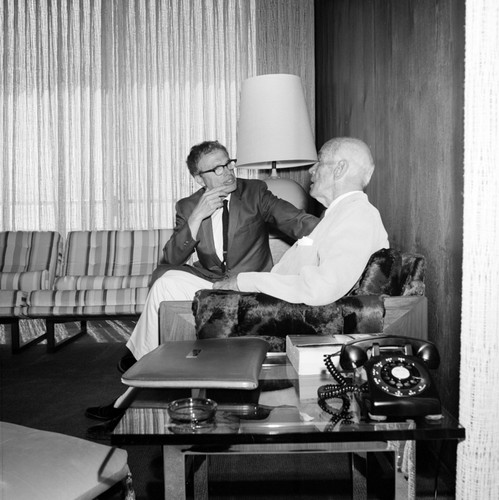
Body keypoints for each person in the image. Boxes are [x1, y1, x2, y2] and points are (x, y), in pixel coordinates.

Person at [84, 140, 319, 436]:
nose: (227, 172)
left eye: (229, 163)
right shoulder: (187, 205)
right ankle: (138, 370)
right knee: (166, 282)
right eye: (217, 168)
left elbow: (295, 220)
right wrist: (197, 216)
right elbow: (171, 257)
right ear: (199, 177)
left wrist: (334, 232)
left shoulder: (255, 192)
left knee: (163, 289)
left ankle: (130, 381)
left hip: (247, 286)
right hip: (209, 282)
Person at [213, 137, 389, 305]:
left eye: (319, 161)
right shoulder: (338, 215)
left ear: (339, 169)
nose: (311, 170)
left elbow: (321, 289)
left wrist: (244, 282)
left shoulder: (358, 217)